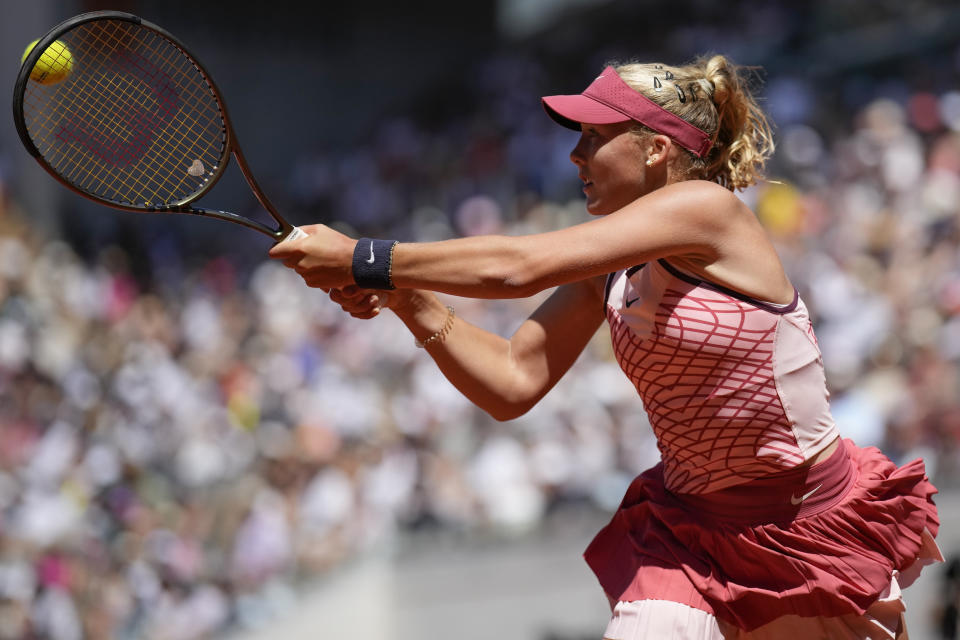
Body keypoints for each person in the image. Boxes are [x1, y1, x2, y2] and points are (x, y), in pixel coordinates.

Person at [268, 55, 942, 639]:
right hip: (690, 537)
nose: (574, 157)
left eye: (594, 137)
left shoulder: (708, 210)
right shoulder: (611, 265)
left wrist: (366, 258)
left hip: (806, 530)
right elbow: (512, 381)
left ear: (656, 150)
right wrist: (408, 300)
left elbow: (517, 267)